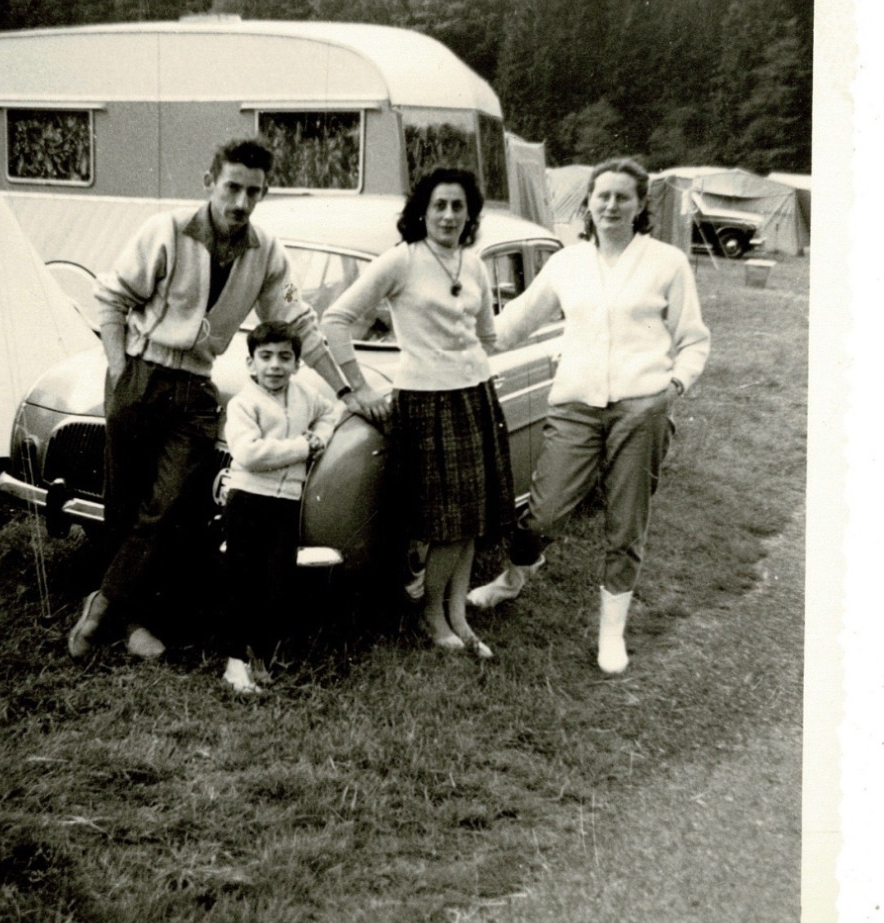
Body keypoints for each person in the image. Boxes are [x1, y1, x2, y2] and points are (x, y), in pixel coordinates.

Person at [68, 139, 361, 661]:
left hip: (197, 390)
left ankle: (103, 604)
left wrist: (346, 390)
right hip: (141, 374)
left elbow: (299, 325)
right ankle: (134, 623)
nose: (241, 203)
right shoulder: (167, 231)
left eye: (254, 192)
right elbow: (110, 299)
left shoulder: (266, 251)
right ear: (210, 183)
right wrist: (119, 370)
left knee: (169, 506)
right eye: (232, 188)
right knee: (127, 504)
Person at [466, 157, 711, 674]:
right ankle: (514, 578)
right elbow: (509, 328)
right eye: (602, 196)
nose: (611, 205)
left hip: (640, 410)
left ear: (641, 205)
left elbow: (693, 339)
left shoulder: (666, 262)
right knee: (546, 510)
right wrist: (455, 327)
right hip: (575, 405)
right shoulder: (568, 263)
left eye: (623, 197)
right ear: (588, 203)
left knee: (625, 526)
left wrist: (671, 388)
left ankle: (610, 634)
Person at [322, 167, 516, 657]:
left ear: (470, 213)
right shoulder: (401, 261)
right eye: (440, 206)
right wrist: (359, 386)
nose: (449, 215)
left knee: (470, 518)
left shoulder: (472, 264)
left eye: (458, 206)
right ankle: (433, 616)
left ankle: (459, 616)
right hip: (425, 400)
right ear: (422, 212)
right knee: (444, 522)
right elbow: (336, 319)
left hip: (473, 395)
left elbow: (487, 335)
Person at [220, 321, 339, 694]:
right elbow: (249, 453)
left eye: (284, 357)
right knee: (243, 580)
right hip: (248, 499)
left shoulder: (304, 395)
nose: (275, 365)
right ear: (251, 364)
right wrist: (303, 448)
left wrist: (319, 435)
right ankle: (233, 663)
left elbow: (331, 411)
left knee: (276, 581)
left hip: (286, 504)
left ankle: (260, 653)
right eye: (266, 357)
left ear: (297, 363)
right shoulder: (243, 403)